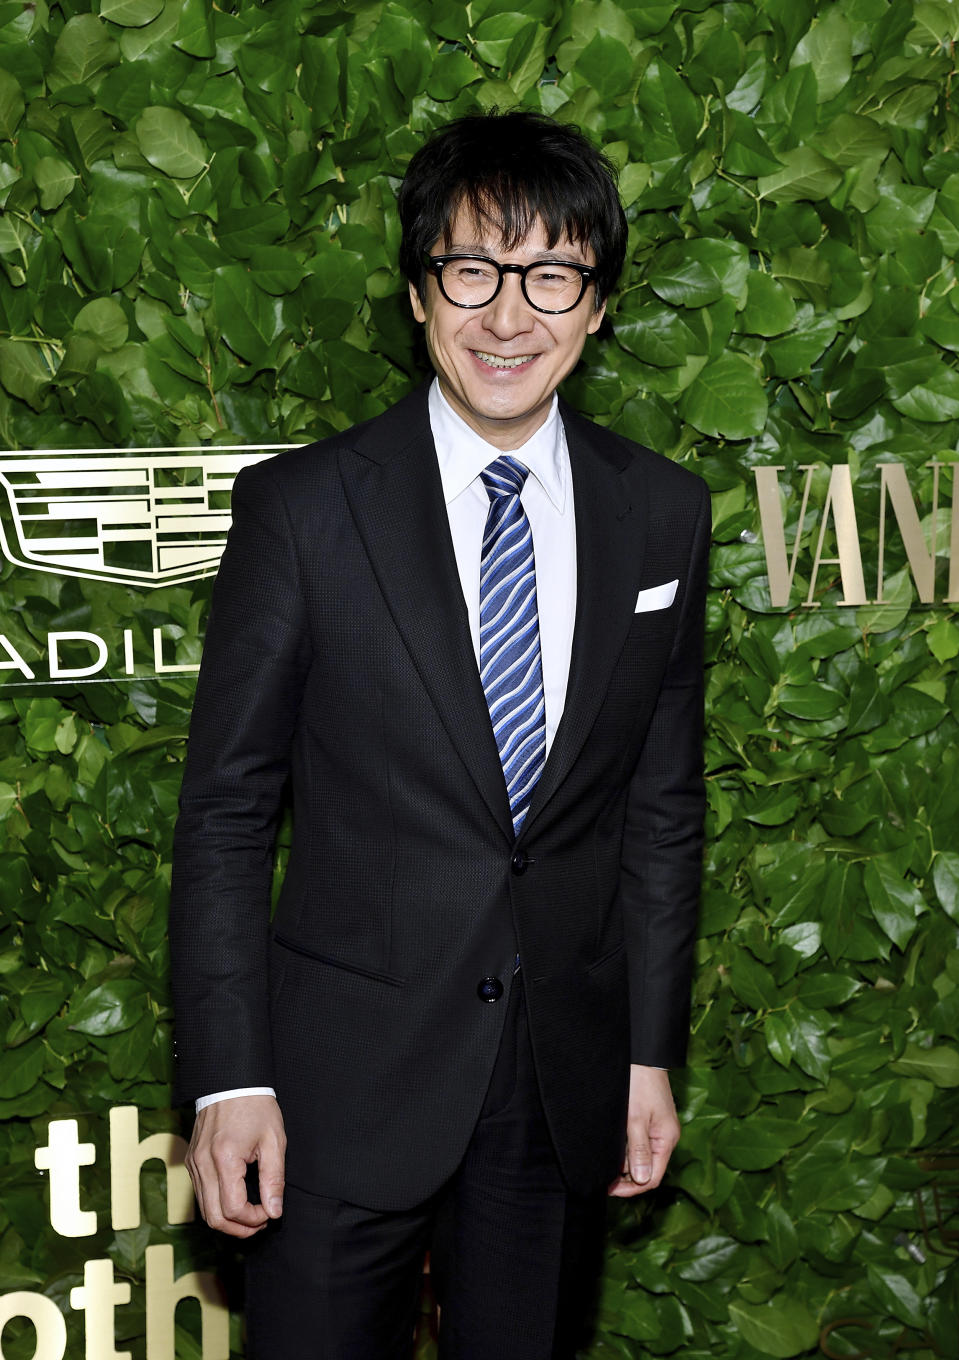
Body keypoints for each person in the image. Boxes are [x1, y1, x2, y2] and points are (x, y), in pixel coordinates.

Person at [169, 109, 710, 1360]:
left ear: (597, 304)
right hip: (331, 1092)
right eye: (472, 270)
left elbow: (660, 811)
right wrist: (229, 1076)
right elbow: (229, 813)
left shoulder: (665, 515)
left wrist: (645, 1052)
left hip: (556, 1087)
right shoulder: (305, 509)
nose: (507, 316)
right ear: (420, 294)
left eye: (550, 276)